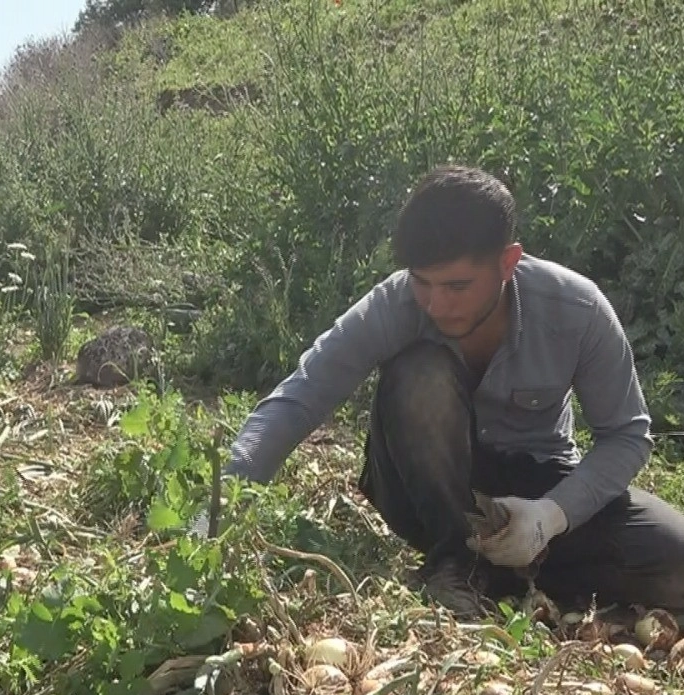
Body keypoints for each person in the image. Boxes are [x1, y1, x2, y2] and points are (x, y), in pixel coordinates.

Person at [200, 164, 684, 618]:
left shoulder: (576, 310)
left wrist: (550, 516)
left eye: (457, 286)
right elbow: (301, 395)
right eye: (422, 282)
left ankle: (514, 564)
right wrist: (219, 504)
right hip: (423, 489)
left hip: (533, 485)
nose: (435, 304)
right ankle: (455, 564)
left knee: (675, 558)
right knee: (420, 375)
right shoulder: (395, 304)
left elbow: (626, 436)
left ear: (508, 263)